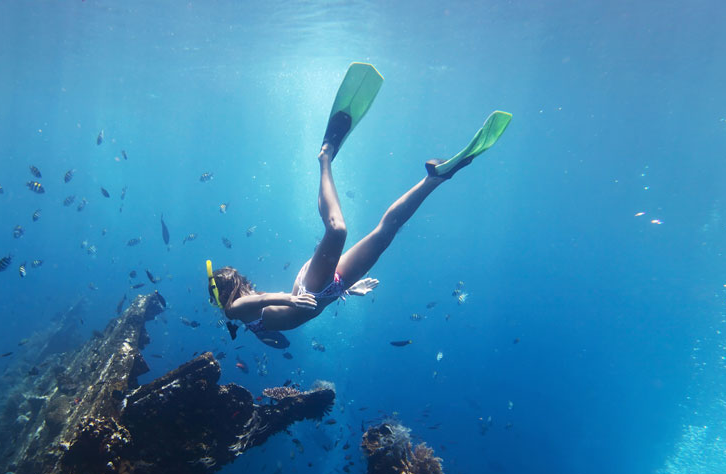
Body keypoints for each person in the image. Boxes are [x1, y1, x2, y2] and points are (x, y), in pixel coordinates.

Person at [207, 63, 510, 347]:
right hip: (331, 289)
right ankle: (435, 179)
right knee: (386, 232)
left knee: (338, 230)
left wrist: (290, 301)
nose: (215, 302)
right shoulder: (241, 321)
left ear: (225, 292)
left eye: (214, 295)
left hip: (308, 288)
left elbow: (261, 302)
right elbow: (275, 328)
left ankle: (325, 155)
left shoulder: (235, 308)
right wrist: (348, 290)